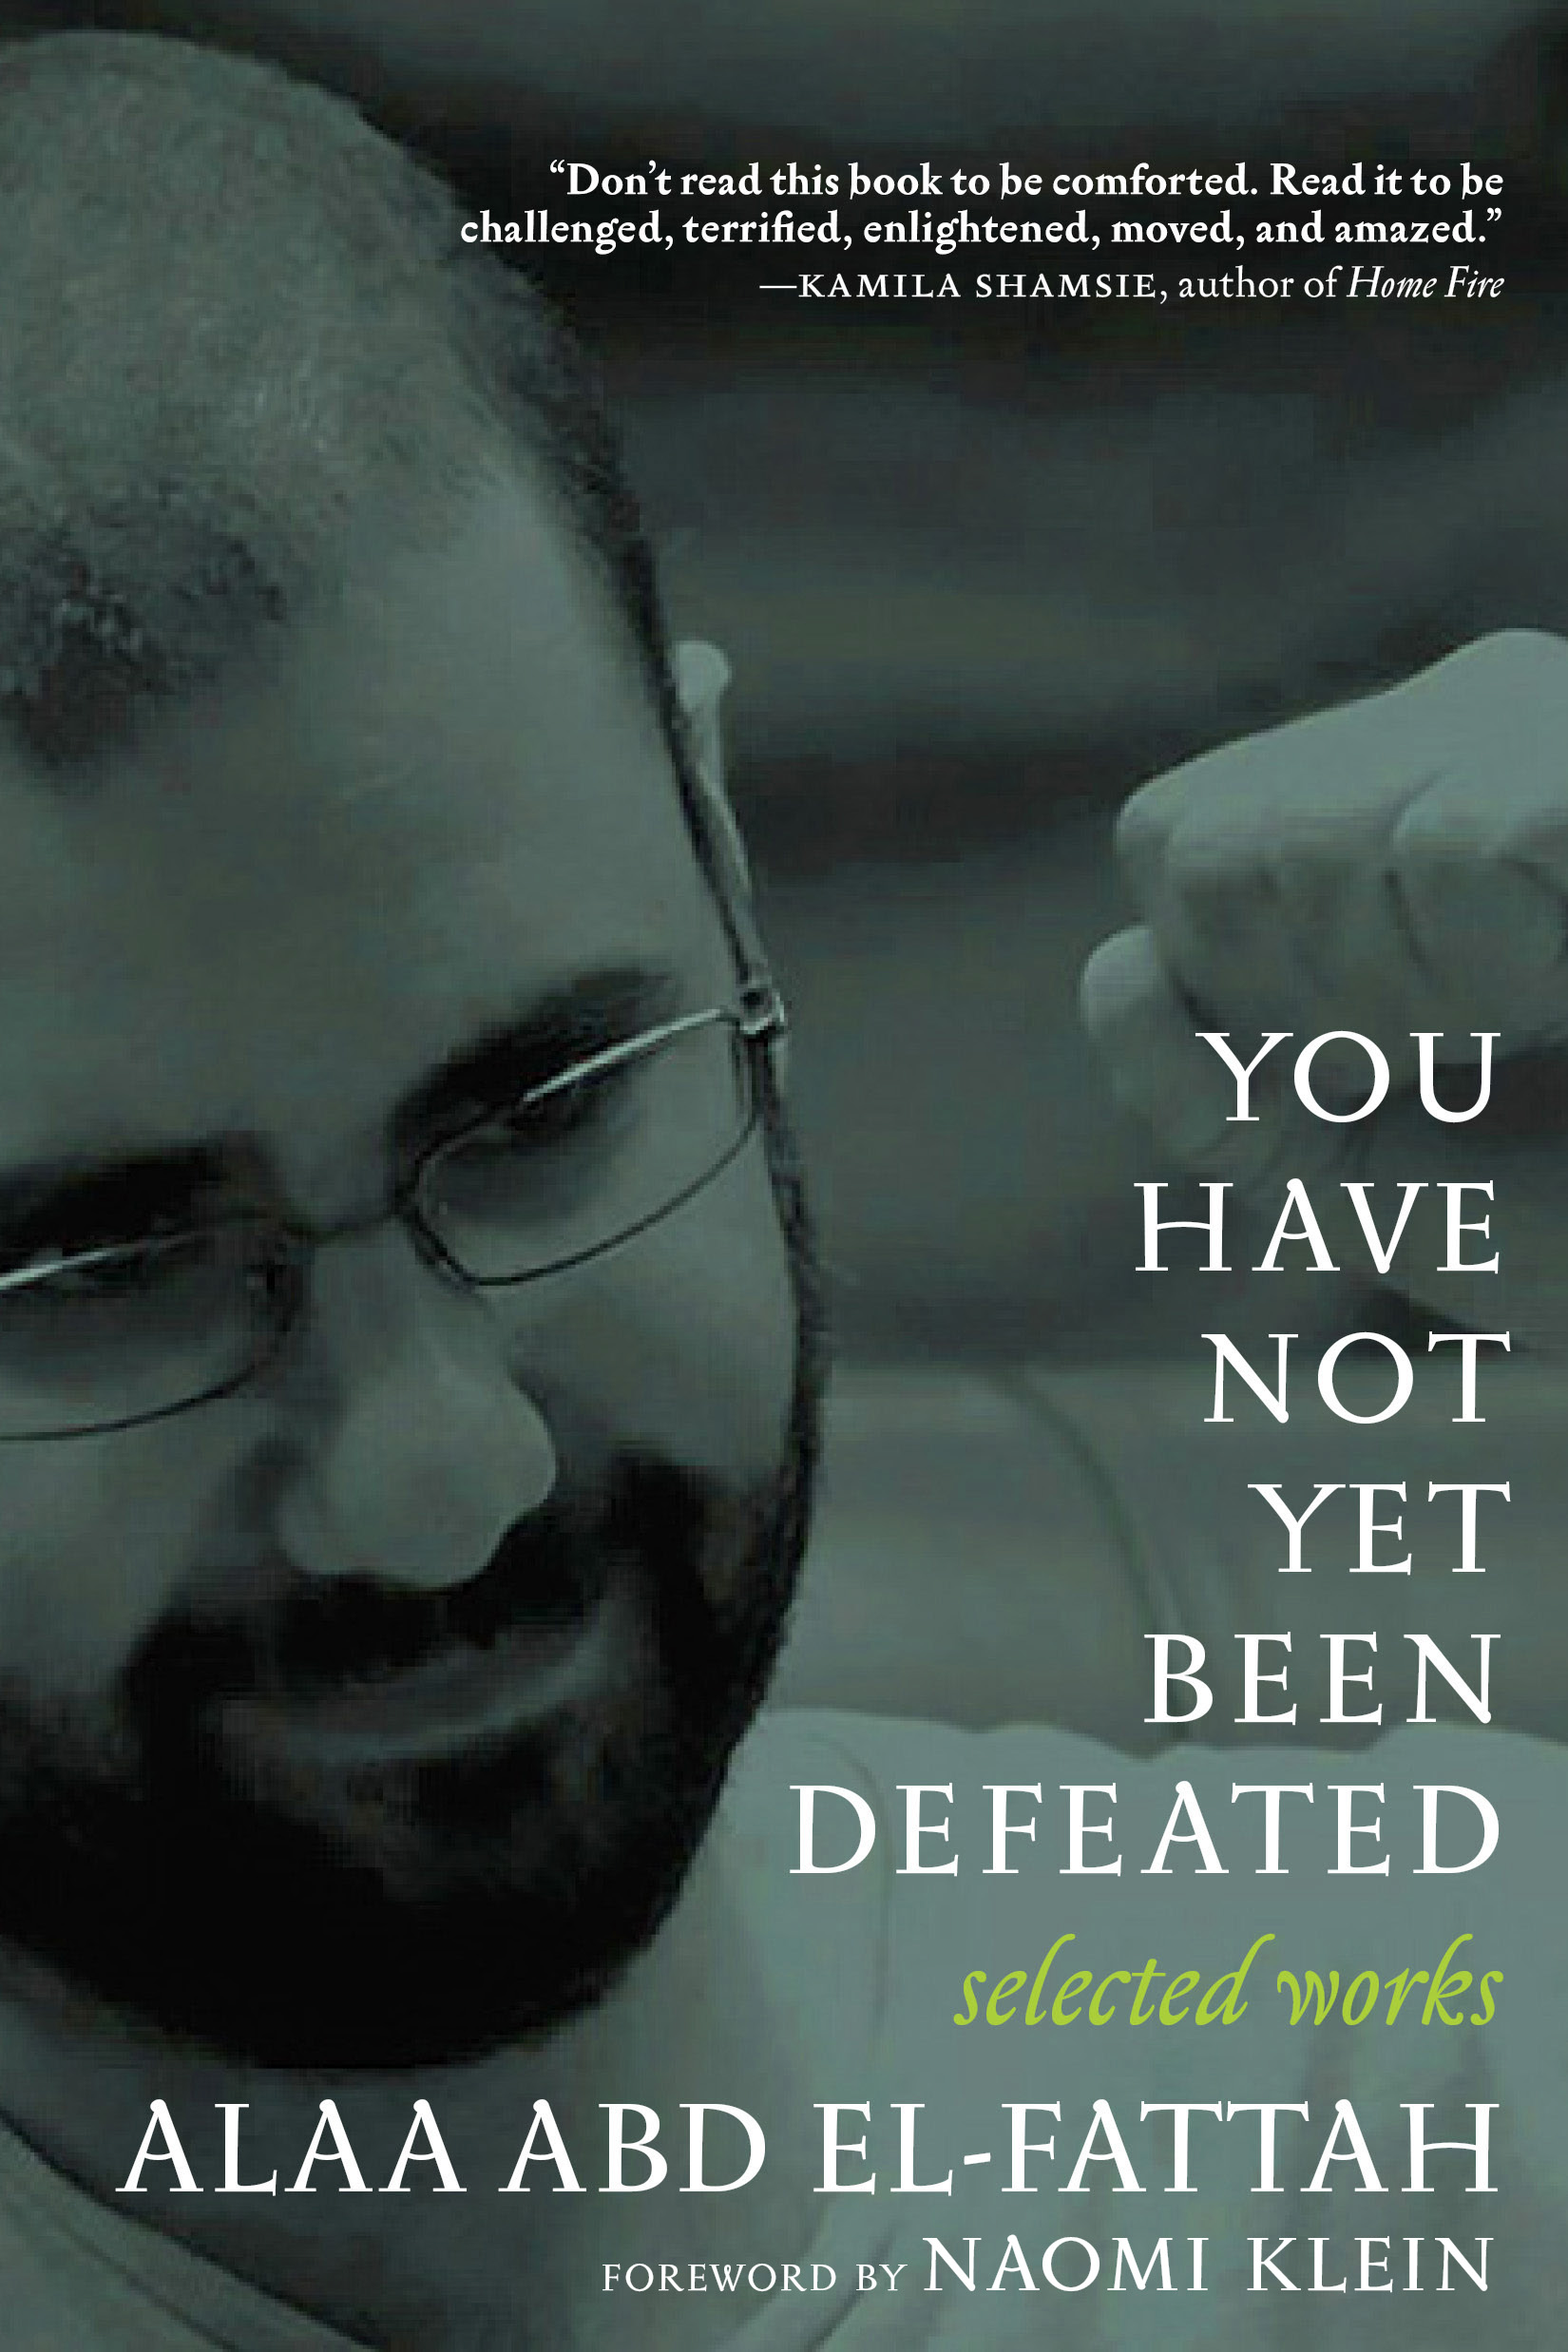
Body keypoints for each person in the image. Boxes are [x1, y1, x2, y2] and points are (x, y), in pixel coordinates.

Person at [0, 29, 1559, 2350]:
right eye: (112, 1268)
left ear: (724, 864)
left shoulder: (1425, 2083)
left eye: (549, 1108)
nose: (441, 1473)